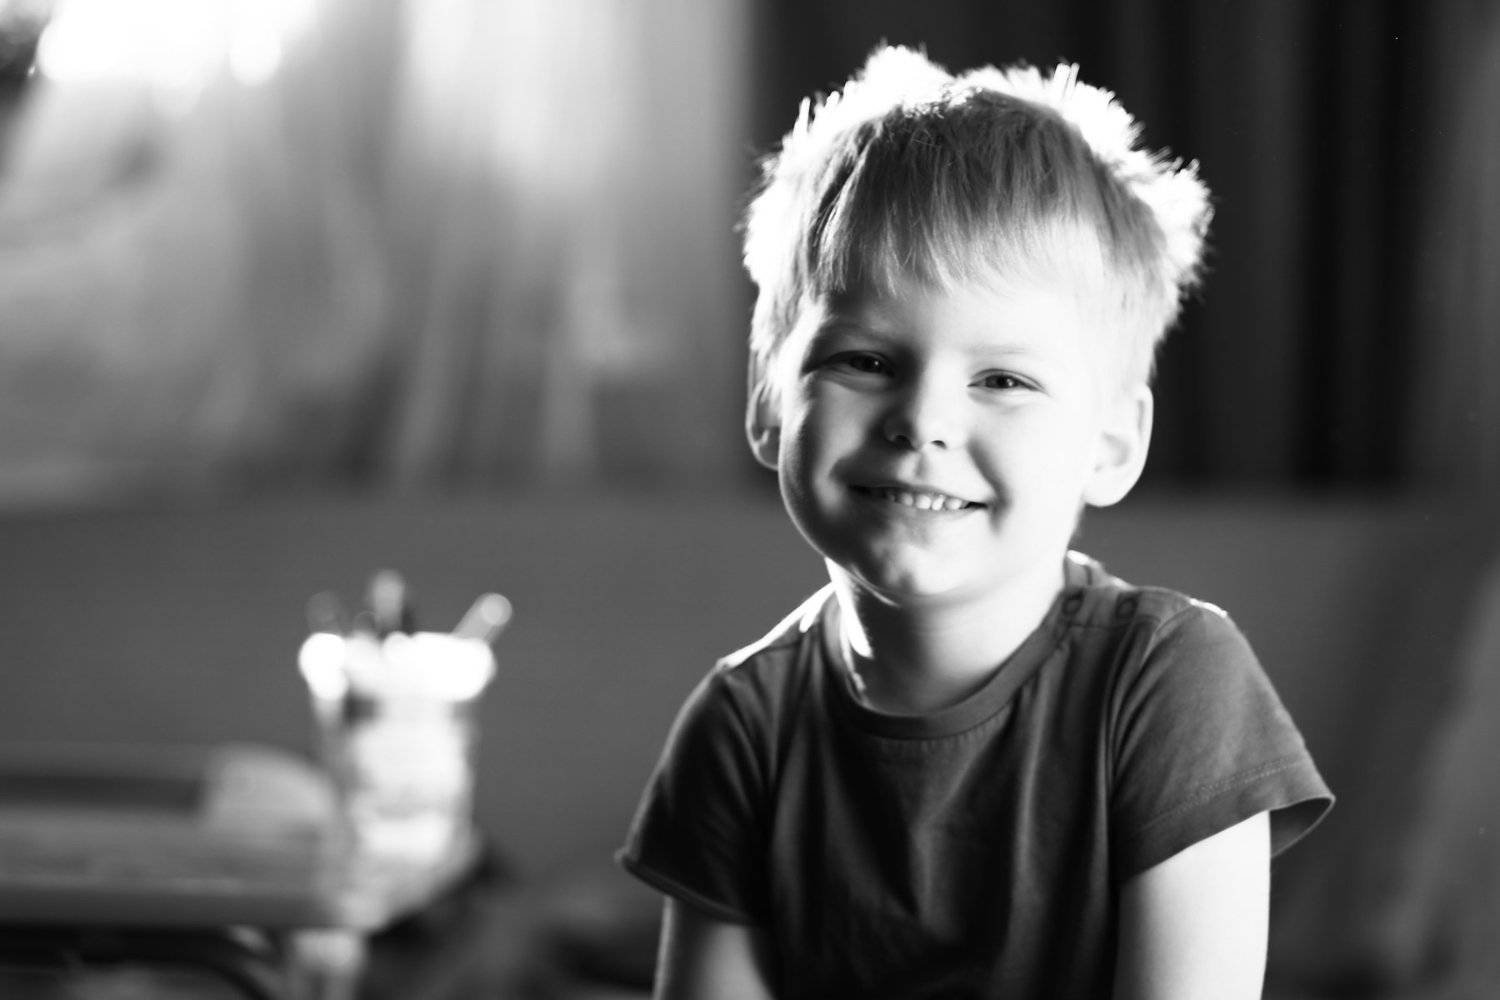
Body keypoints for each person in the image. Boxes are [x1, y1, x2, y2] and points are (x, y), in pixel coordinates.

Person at [617, 45, 1333, 999]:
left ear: (1112, 442)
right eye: (866, 361)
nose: (922, 421)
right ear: (769, 402)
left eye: (1001, 379)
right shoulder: (741, 726)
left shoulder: (1169, 682)